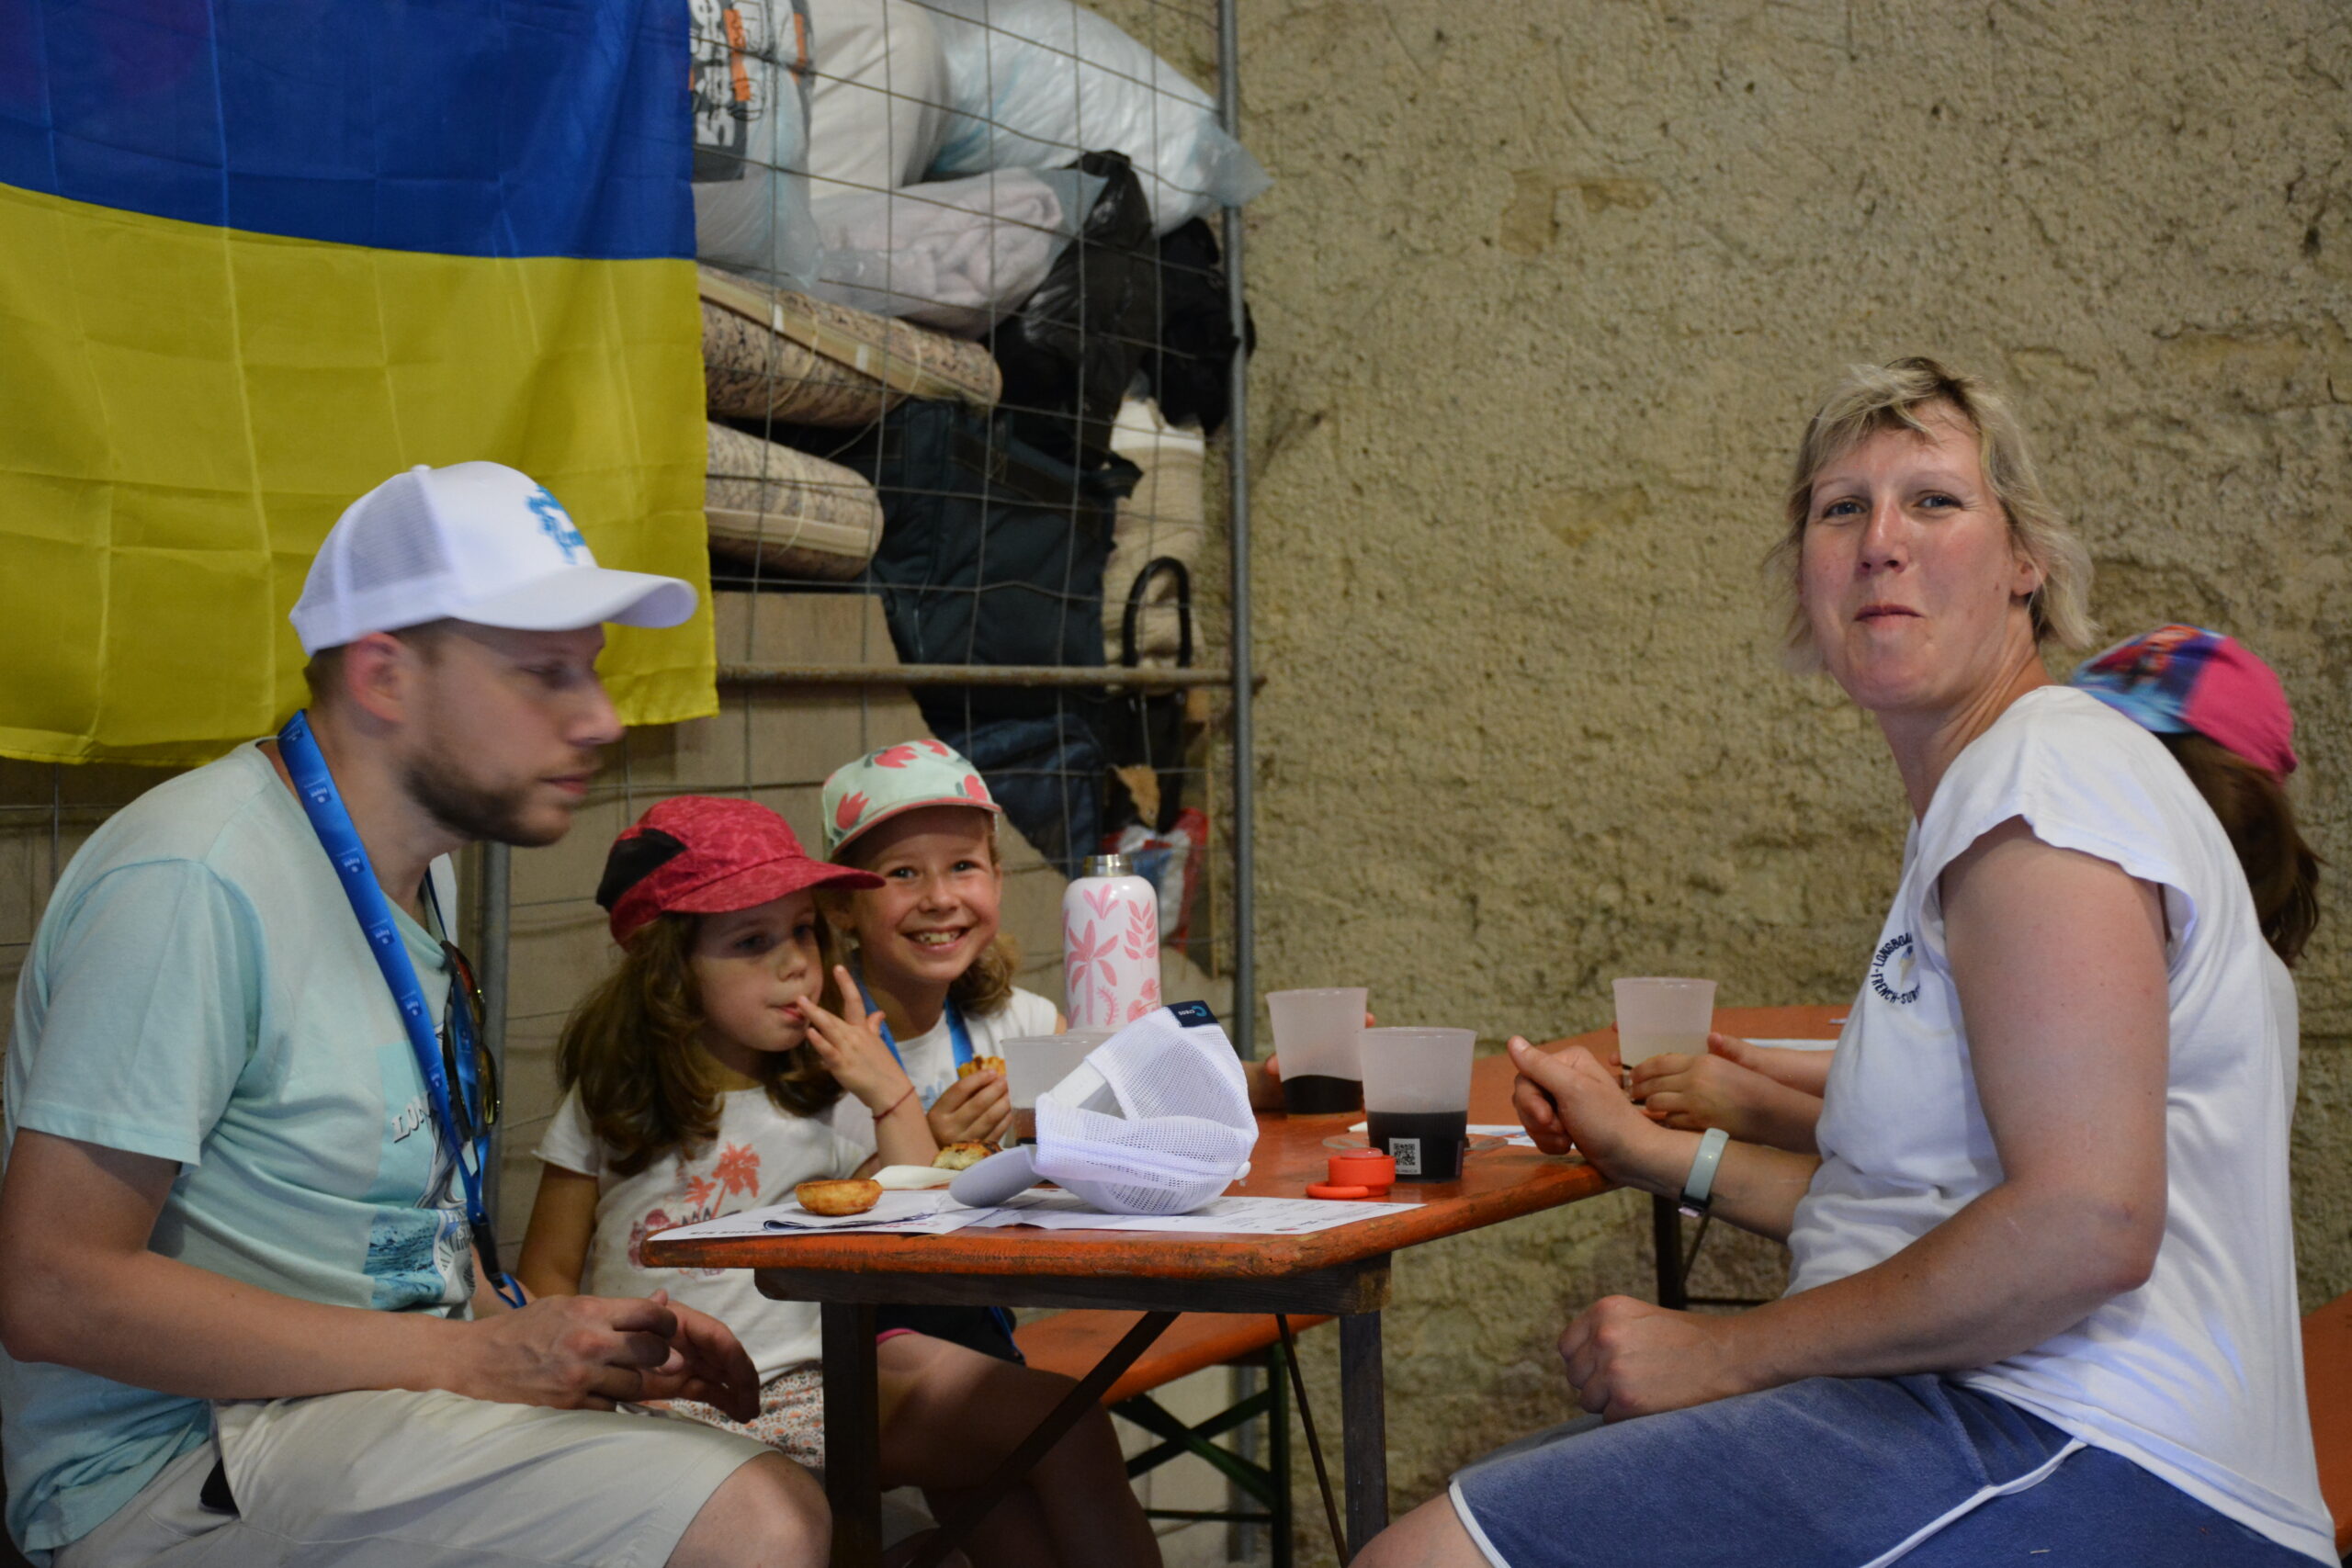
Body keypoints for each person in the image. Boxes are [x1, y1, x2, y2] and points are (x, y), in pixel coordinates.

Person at [1356, 358, 2335, 1566]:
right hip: (2004, 1419)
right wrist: (1653, 1152)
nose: (1881, 542)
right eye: (1841, 509)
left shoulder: (2041, 789)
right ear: (1803, 578)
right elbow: (1901, 1207)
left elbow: (2085, 1223)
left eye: (1934, 500)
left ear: (2026, 561)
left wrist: (1723, 1351)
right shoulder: (1987, 795)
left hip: (2087, 1446)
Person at [0, 463, 826, 1567]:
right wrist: (472, 1362)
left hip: (362, 1407)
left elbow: (400, 1235)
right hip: (175, 1462)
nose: (599, 718)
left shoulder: (416, 871)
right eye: (543, 674)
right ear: (386, 676)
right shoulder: (192, 880)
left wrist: (550, 1338)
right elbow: (52, 1288)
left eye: (589, 669)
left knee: (770, 1476)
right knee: (756, 1517)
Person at [516, 795, 1159, 1568]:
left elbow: (922, 1214)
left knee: (1066, 1421)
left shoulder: (829, 1088)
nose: (795, 962)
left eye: (802, 931)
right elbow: (546, 1273)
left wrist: (888, 1091)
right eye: (752, 940)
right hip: (660, 1408)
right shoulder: (610, 1100)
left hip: (829, 1382)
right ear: (670, 969)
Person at [1629, 623, 2323, 1156]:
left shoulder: (2156, 953)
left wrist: (1754, 1110)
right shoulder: (2193, 946)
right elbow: (1965, 1090)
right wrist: (1773, 1070)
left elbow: (1974, 1171)